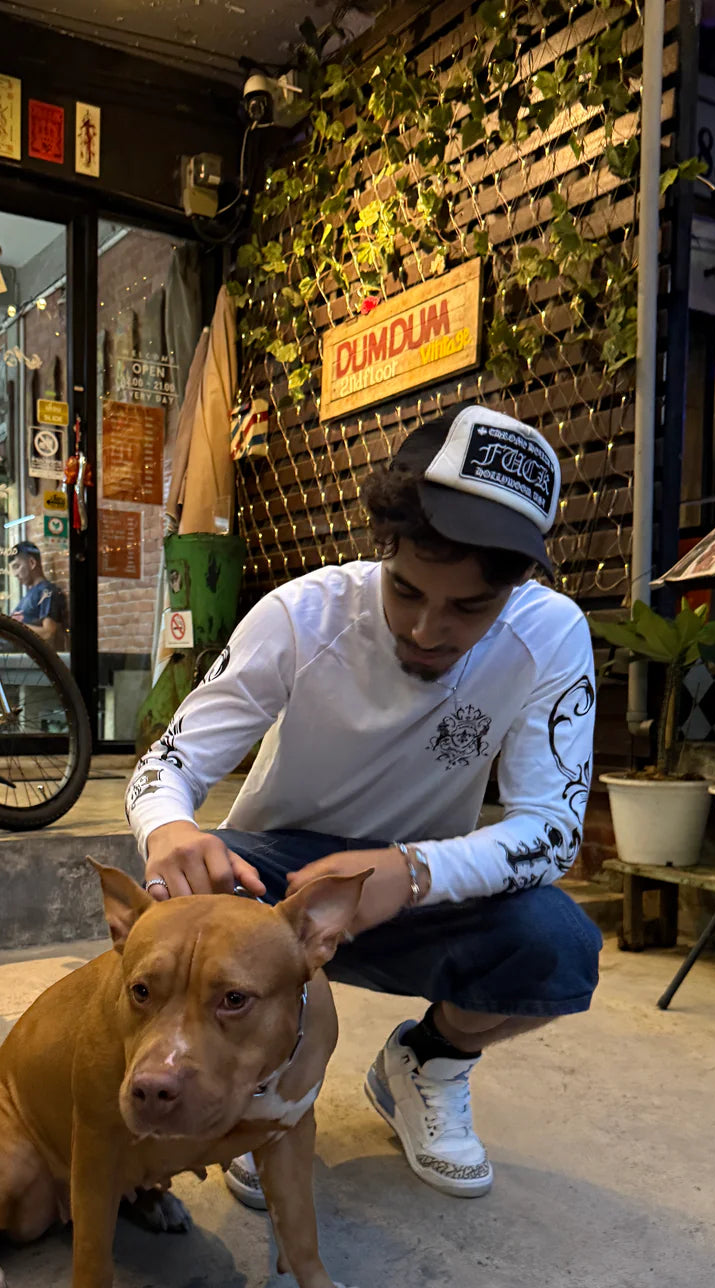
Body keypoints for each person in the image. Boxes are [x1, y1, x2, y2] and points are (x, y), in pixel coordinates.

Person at [124, 402, 601, 1209]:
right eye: (408, 589)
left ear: (516, 588)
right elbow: (168, 764)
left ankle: (429, 1062)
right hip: (275, 882)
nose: (425, 628)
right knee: (186, 909)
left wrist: (411, 871)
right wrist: (167, 827)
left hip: (420, 885)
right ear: (384, 549)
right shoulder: (303, 614)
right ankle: (262, 1091)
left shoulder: (550, 636)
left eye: (467, 609)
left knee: (556, 945)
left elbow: (553, 830)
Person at [9, 540, 68, 651]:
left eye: (17, 566)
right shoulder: (30, 594)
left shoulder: (47, 591)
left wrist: (13, 626)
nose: (15, 574)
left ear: (32, 563)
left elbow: (49, 633)